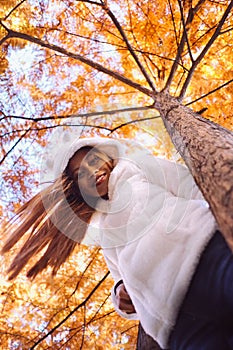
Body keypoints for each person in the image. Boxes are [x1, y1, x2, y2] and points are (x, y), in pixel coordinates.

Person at [2, 136, 233, 349]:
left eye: (93, 160)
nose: (91, 171)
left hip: (206, 255)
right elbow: (119, 279)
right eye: (80, 173)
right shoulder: (104, 232)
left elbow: (194, 187)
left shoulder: (142, 170)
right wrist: (121, 295)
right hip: (175, 320)